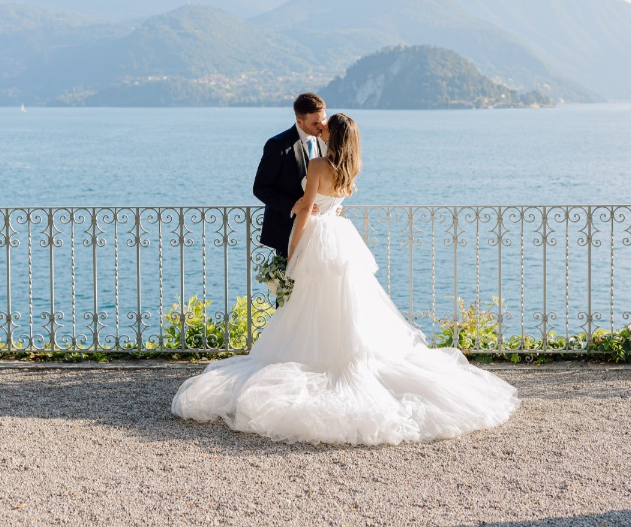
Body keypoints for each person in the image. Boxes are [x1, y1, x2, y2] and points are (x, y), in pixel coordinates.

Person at [172, 113, 519, 445]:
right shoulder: (350, 165)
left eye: (326, 125)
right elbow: (331, 200)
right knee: (347, 301)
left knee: (310, 300)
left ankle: (317, 356)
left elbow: (307, 209)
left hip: (318, 238)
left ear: (332, 134)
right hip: (339, 235)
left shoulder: (318, 165)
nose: (320, 126)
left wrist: (292, 252)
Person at [252, 92, 328, 260]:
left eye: (323, 120)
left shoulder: (326, 140)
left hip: (320, 230)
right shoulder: (278, 145)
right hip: (288, 231)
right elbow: (260, 188)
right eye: (315, 123)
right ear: (299, 121)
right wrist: (293, 205)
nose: (322, 126)